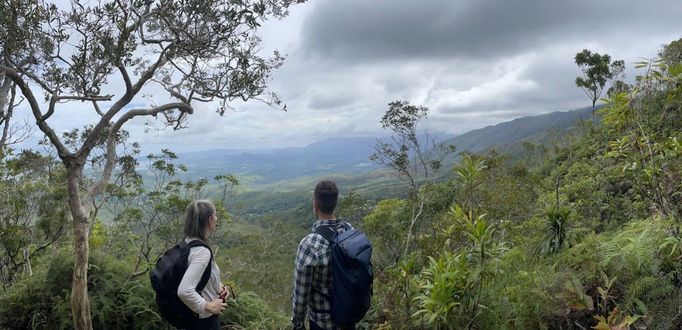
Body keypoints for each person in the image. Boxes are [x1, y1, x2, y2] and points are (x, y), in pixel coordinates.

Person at [291, 180, 356, 330]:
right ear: (335, 203)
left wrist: (297, 323)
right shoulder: (349, 231)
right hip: (349, 316)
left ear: (315, 205)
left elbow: (301, 295)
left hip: (323, 323)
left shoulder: (309, 245)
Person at [177, 200, 230, 330]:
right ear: (210, 219)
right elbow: (184, 290)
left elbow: (200, 277)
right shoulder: (202, 252)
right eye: (215, 215)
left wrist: (218, 287)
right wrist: (209, 306)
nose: (216, 219)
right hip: (205, 322)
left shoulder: (189, 243)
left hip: (194, 319)